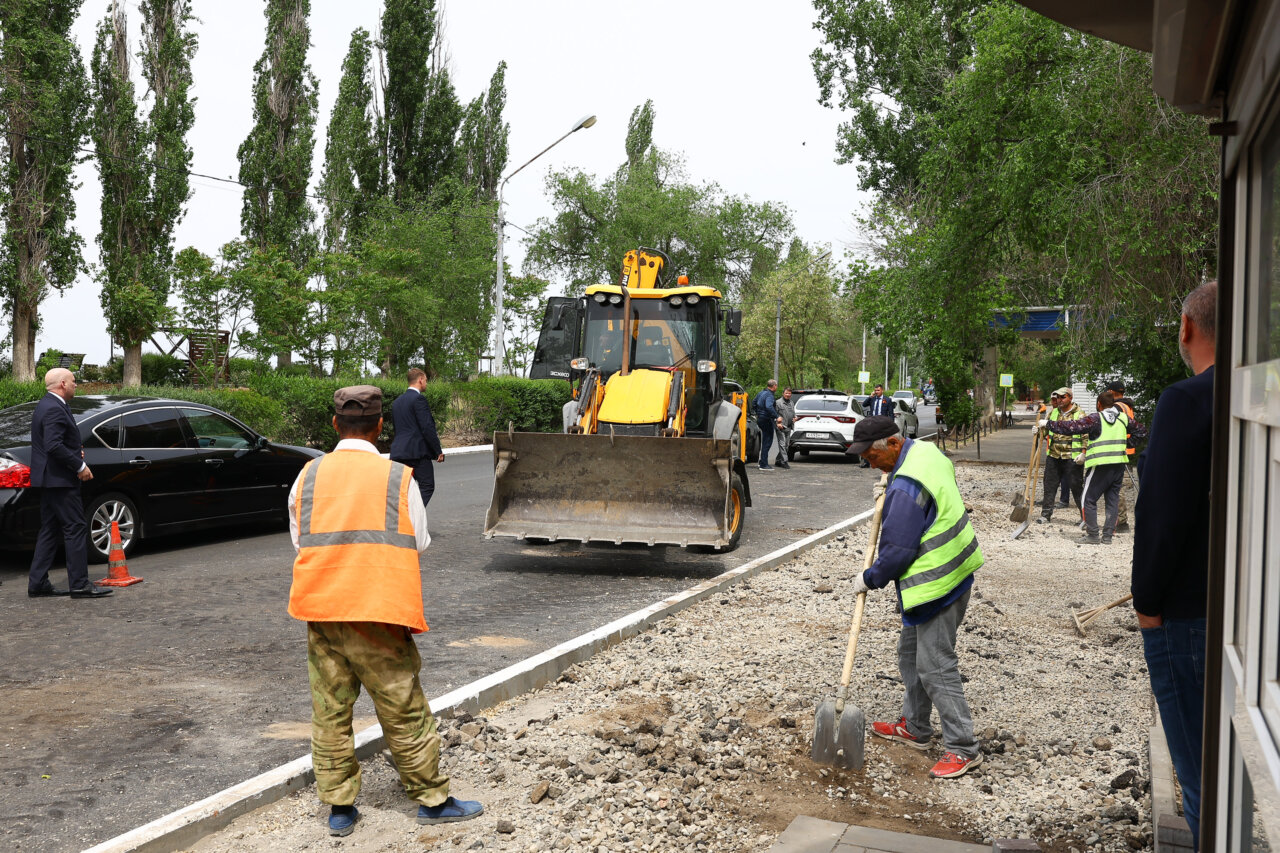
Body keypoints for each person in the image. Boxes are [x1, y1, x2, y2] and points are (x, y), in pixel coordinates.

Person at [288, 385, 483, 837]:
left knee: (330, 710)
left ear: (335, 425)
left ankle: (339, 808)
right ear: (380, 427)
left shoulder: (307, 477)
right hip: (379, 612)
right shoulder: (398, 478)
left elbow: (301, 541)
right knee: (403, 707)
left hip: (324, 612)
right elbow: (419, 541)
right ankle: (432, 799)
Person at [846, 416, 984, 779]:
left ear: (892, 444)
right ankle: (916, 727)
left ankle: (963, 747)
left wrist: (869, 578)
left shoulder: (906, 487)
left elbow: (897, 553)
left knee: (935, 665)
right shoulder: (924, 451)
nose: (867, 463)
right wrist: (888, 482)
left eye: (871, 456)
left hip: (938, 582)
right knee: (910, 654)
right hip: (952, 567)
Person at [1132, 280, 1216, 848]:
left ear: (1187, 327)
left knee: (1199, 771)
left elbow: (1162, 512)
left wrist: (1147, 604)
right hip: (1246, 610)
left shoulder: (1187, 400)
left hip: (1187, 614)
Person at [27, 368, 111, 599]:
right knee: (75, 527)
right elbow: (53, 445)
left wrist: (75, 450)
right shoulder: (54, 407)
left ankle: (38, 582)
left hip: (50, 479)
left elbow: (53, 442)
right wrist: (79, 465)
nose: (76, 384)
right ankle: (79, 584)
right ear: (62, 384)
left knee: (50, 530)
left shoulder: (46, 404)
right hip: (60, 480)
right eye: (74, 381)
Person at [1042, 390, 1146, 544]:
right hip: (1118, 465)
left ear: (1099, 404)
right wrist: (1125, 445)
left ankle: (1092, 535)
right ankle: (1107, 537)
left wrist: (1048, 424)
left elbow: (1073, 427)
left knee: (1087, 499)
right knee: (1112, 500)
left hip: (1100, 464)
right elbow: (1142, 432)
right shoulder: (1123, 418)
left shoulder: (1096, 418)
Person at [390, 368, 445, 507]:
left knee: (405, 489)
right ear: (420, 379)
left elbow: (399, 428)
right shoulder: (419, 399)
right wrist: (437, 450)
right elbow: (426, 427)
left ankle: (402, 519)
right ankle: (413, 517)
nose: (426, 383)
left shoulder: (397, 402)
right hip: (417, 453)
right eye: (426, 380)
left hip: (398, 453)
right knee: (427, 486)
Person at [1037, 388, 1087, 523]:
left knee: (1076, 487)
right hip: (1054, 455)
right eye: (1057, 397)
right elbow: (1046, 430)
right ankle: (1045, 515)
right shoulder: (1053, 413)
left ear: (1070, 397)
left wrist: (1083, 453)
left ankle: (1085, 517)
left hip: (1072, 457)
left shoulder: (1080, 415)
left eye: (1062, 397)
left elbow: (1085, 436)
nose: (1059, 400)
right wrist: (1039, 430)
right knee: (1049, 485)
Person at [1105, 380, 1139, 532]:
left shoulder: (1117, 407)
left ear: (1111, 392)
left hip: (1118, 450)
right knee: (1118, 486)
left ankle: (1121, 522)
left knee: (1115, 487)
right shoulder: (1127, 406)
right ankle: (1119, 521)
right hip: (1126, 450)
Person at [753, 379, 782, 472]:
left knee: (765, 440)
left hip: (760, 419)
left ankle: (762, 461)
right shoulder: (769, 395)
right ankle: (764, 464)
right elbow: (769, 406)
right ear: (774, 386)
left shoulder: (761, 393)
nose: (776, 387)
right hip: (766, 419)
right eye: (776, 386)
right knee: (767, 441)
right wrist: (777, 417)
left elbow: (754, 403)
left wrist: (758, 413)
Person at [774, 387, 795, 469]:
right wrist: (777, 423)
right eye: (786, 393)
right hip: (781, 427)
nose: (788, 395)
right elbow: (773, 414)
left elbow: (793, 413)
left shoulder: (792, 403)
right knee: (782, 444)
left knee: (786, 445)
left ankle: (778, 460)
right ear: (783, 393)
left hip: (789, 427)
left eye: (789, 393)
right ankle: (784, 461)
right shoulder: (778, 402)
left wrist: (794, 418)